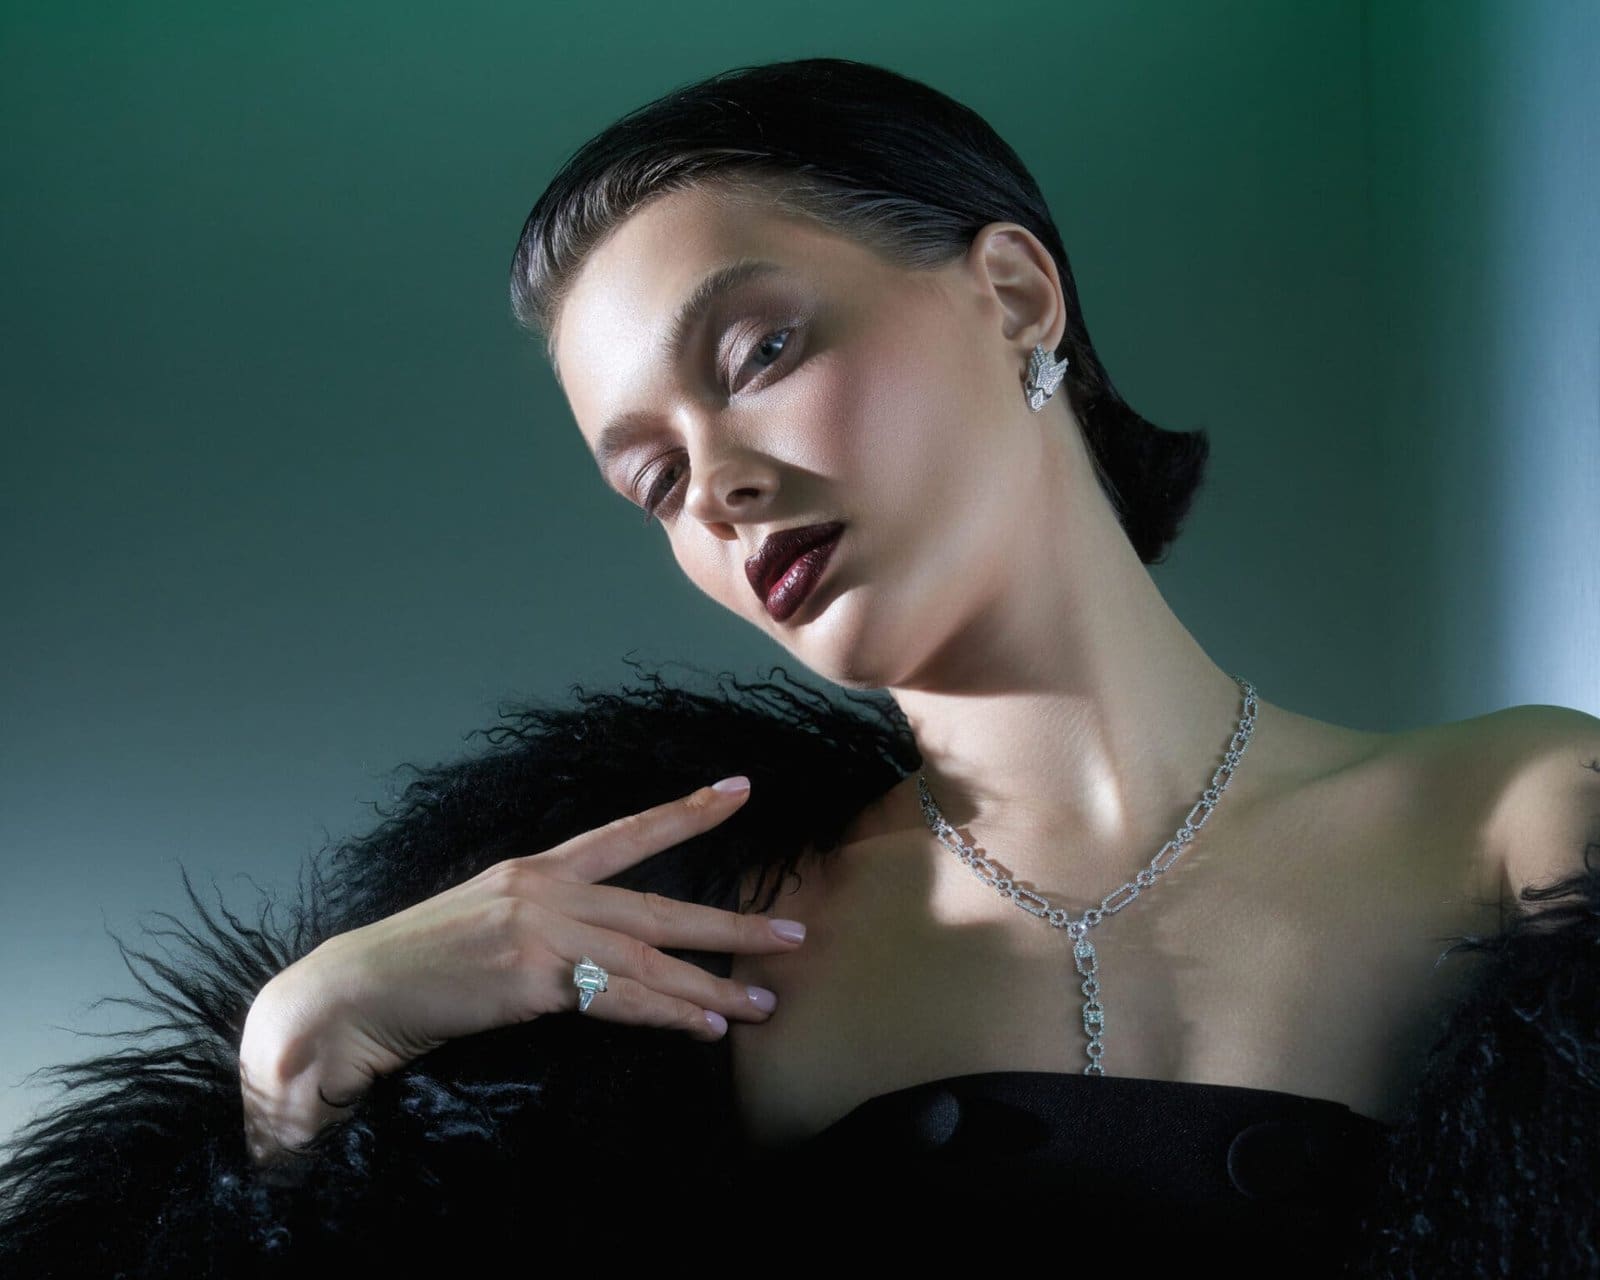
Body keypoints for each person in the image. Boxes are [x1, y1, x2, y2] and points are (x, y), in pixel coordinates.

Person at [3, 55, 1598, 1276]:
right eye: (652, 479)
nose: (717, 487)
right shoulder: (699, 957)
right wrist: (297, 1068)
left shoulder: (1520, 817)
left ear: (1014, 294)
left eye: (759, 352)